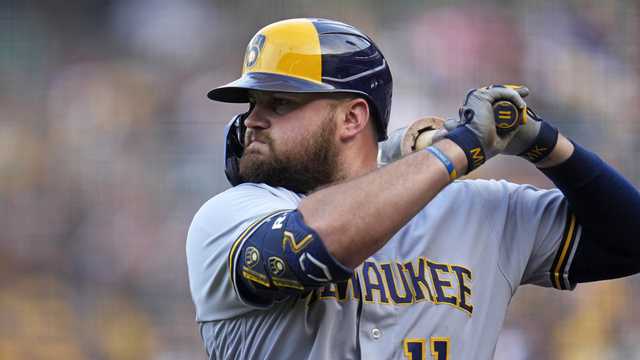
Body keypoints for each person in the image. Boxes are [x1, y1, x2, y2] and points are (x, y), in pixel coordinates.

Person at [186, 18, 640, 359]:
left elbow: (630, 240)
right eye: (253, 103)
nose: (252, 119)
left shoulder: (478, 209)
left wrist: (547, 145)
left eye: (279, 103)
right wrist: (463, 147)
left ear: (352, 118)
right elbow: (316, 245)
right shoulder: (231, 215)